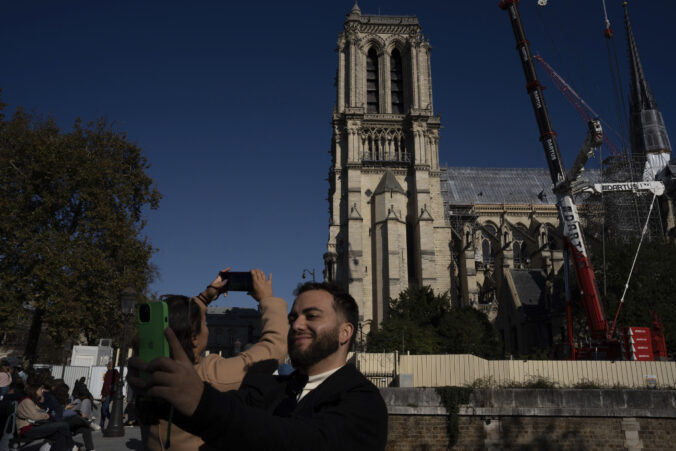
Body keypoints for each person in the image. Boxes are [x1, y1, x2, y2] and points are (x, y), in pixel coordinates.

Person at [129, 281, 388, 450]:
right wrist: (159, 392)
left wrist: (201, 402)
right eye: (293, 317)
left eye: (312, 316)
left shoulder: (363, 401)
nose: (296, 325)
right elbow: (231, 414)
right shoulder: (271, 387)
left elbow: (299, 439)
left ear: (345, 333)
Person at [140, 268, 289, 451]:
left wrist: (204, 298)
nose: (207, 328)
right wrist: (268, 299)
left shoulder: (146, 371)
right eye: (205, 323)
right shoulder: (207, 376)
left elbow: (179, 322)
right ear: (194, 337)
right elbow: (274, 348)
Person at [15, 376, 75, 451]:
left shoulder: (33, 401)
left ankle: (67, 447)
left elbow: (42, 412)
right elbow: (36, 416)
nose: (42, 391)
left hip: (35, 426)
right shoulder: (26, 401)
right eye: (40, 389)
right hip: (27, 429)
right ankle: (71, 445)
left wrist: (42, 400)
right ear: (35, 391)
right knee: (63, 425)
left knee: (60, 435)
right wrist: (47, 415)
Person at [99, 362, 118, 430]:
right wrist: (102, 394)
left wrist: (105, 395)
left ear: (112, 366)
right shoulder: (107, 373)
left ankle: (113, 421)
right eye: (108, 365)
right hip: (105, 394)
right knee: (103, 410)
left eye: (110, 365)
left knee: (104, 409)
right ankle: (102, 425)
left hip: (109, 394)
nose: (108, 366)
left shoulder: (114, 372)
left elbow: (114, 382)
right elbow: (105, 385)